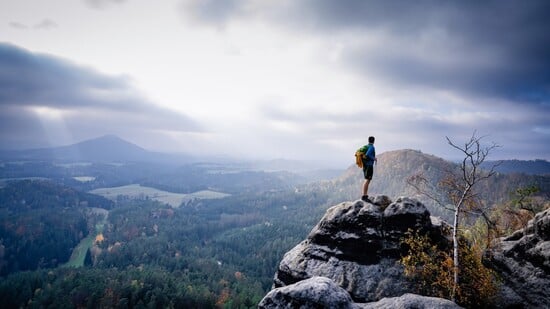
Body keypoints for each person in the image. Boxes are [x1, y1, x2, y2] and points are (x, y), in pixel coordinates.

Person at [361, 136, 376, 202]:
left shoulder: (366, 146)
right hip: (369, 166)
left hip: (365, 165)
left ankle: (365, 195)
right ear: (373, 141)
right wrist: (374, 158)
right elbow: (367, 155)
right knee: (368, 180)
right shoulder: (371, 147)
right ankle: (364, 196)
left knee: (367, 180)